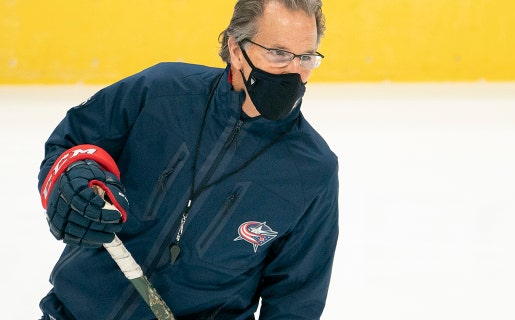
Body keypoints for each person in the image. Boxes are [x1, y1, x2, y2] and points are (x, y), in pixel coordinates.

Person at [37, 0, 339, 319]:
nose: (294, 71)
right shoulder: (160, 92)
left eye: (306, 57)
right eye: (278, 53)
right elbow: (70, 144)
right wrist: (74, 182)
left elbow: (296, 302)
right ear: (237, 50)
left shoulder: (313, 172)